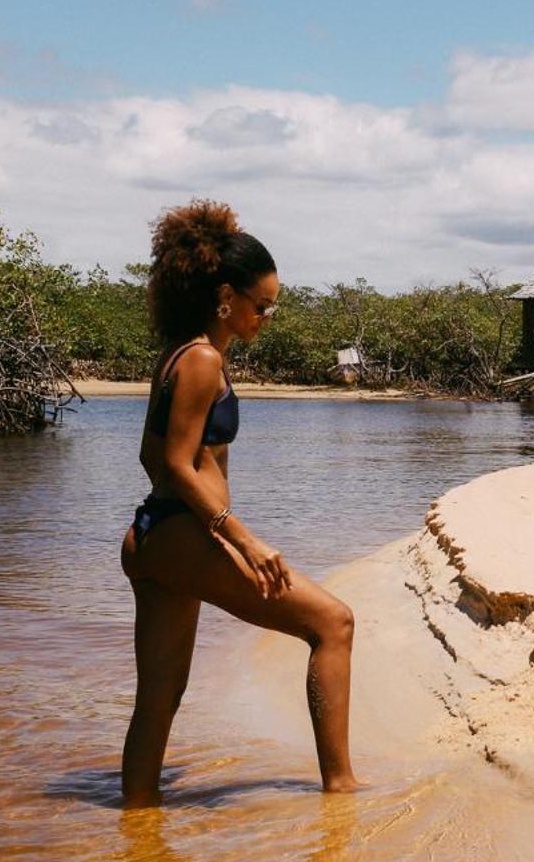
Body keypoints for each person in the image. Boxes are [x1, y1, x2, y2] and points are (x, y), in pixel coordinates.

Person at [120, 200, 358, 806]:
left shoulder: (178, 352)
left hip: (155, 536)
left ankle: (135, 842)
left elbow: (153, 458)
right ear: (225, 295)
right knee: (333, 624)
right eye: (261, 304)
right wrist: (239, 538)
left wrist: (203, 531)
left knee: (159, 701)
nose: (267, 317)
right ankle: (342, 791)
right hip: (179, 535)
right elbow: (176, 462)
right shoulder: (202, 360)